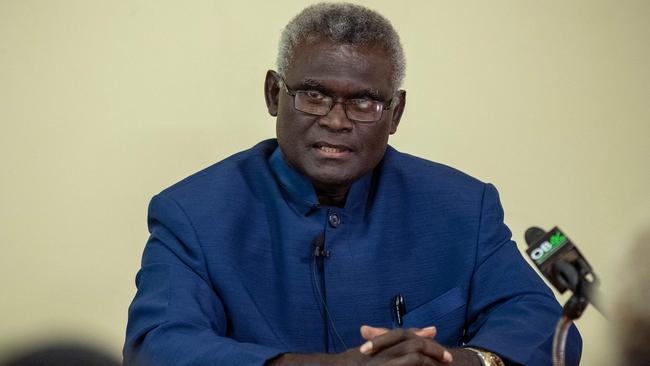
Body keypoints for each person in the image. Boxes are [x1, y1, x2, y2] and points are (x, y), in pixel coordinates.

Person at [124, 3, 581, 365]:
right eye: (314, 95)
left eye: (363, 102)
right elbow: (157, 346)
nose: (336, 121)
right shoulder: (194, 213)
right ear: (272, 95)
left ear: (396, 113)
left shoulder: (462, 207)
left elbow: (543, 325)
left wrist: (453, 361)